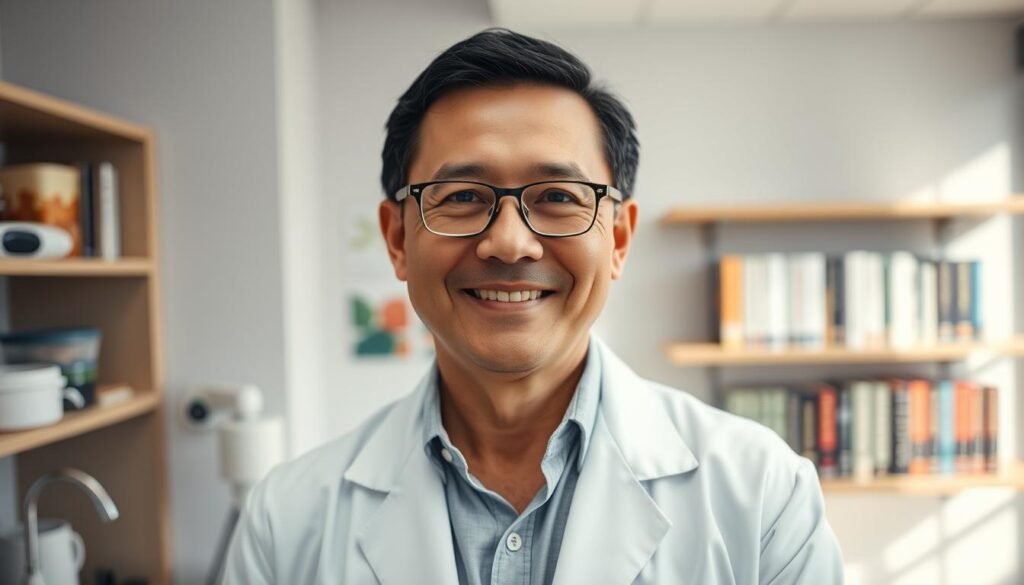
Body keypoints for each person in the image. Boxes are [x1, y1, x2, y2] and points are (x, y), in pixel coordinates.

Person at [222, 28, 844, 584]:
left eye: (557, 196)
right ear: (397, 240)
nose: (509, 242)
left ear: (619, 239)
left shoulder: (762, 495)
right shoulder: (286, 522)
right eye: (462, 195)